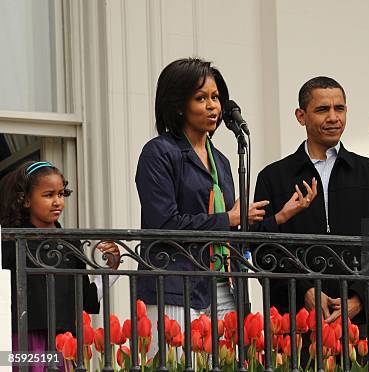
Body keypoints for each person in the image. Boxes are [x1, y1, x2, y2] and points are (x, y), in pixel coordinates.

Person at [135, 58, 268, 354]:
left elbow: (231, 224)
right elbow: (163, 223)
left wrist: (274, 215)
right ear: (179, 105)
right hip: (175, 283)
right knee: (179, 360)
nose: (213, 106)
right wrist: (228, 217)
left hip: (222, 283)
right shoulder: (159, 153)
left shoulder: (220, 159)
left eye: (216, 97)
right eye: (201, 98)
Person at [253, 76, 369, 327]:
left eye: (339, 108)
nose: (333, 117)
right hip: (296, 323)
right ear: (301, 116)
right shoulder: (273, 177)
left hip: (359, 325)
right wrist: (304, 291)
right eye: (322, 109)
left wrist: (359, 297)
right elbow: (261, 249)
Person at [0, 161, 120, 371]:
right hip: (23, 340)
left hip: (63, 342)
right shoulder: (10, 242)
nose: (57, 202)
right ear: (26, 200)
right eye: (48, 195)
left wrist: (111, 269)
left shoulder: (71, 243)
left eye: (61, 194)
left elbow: (86, 299)